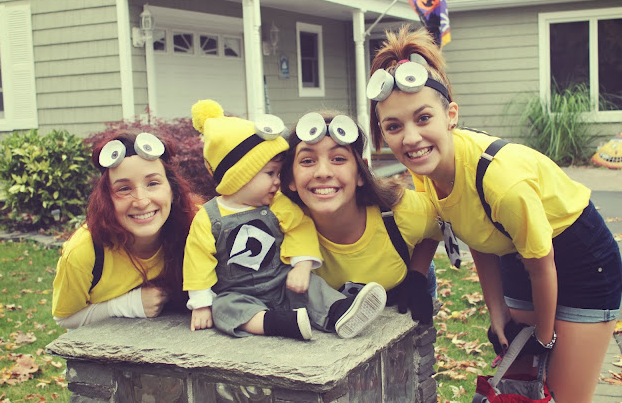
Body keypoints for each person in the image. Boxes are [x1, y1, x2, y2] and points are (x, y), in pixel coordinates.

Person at [368, 25, 622, 402]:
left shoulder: (501, 181)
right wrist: (496, 309)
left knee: (561, 393)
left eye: (423, 118)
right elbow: (477, 231)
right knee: (523, 391)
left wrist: (543, 339)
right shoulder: (426, 169)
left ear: (450, 115)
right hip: (515, 253)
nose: (410, 138)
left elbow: (543, 265)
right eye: (394, 126)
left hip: (579, 258)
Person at [183, 99, 386, 341]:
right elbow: (197, 260)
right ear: (241, 175)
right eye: (270, 173)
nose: (277, 181)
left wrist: (301, 266)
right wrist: (201, 304)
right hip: (238, 292)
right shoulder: (208, 217)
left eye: (278, 174)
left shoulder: (278, 204)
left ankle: (340, 311)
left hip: (283, 282)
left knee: (313, 286)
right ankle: (280, 324)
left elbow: (299, 228)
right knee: (224, 307)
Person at [279, 110, 441, 325]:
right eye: (307, 161)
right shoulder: (278, 225)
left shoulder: (402, 211)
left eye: (338, 159)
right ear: (290, 177)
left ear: (360, 173)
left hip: (402, 289)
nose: (323, 172)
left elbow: (435, 227)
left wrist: (417, 276)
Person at [52, 131, 198, 329]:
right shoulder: (83, 251)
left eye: (153, 183)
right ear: (106, 199)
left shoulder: (196, 226)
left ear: (172, 190)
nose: (141, 201)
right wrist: (129, 305)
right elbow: (64, 319)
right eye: (124, 189)